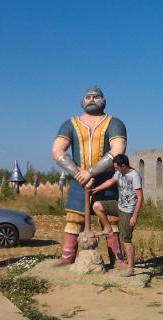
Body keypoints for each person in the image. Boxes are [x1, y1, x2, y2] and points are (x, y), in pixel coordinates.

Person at [52, 86, 127, 267]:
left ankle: (117, 258)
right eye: (88, 97)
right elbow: (57, 151)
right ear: (82, 101)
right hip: (78, 181)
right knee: (74, 220)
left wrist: (91, 172)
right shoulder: (70, 124)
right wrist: (79, 173)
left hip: (106, 181)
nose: (92, 99)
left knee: (110, 219)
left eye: (96, 96)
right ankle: (68, 256)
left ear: (103, 100)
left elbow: (117, 151)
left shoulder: (114, 123)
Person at [91, 154, 143, 276]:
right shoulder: (119, 173)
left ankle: (130, 268)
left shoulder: (134, 176)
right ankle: (108, 228)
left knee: (126, 240)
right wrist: (96, 189)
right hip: (119, 205)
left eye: (117, 167)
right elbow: (110, 181)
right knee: (97, 206)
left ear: (123, 165)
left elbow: (140, 198)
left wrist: (134, 216)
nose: (115, 169)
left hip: (128, 211)